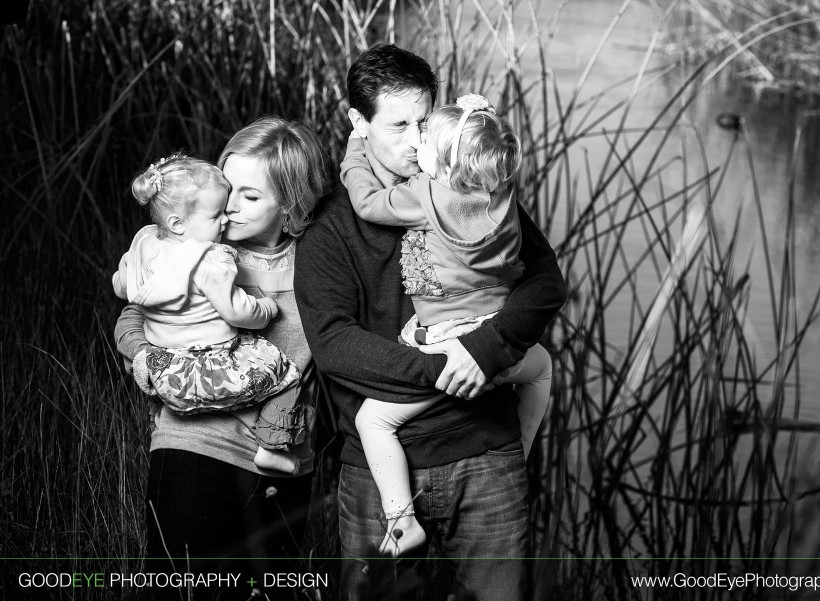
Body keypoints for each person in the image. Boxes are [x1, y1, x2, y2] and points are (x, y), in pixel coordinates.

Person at [294, 43, 566, 600]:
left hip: (487, 455)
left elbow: (545, 283)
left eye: (425, 121)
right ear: (357, 123)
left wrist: (485, 352)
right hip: (377, 474)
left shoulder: (466, 187)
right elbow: (333, 344)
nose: (418, 141)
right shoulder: (331, 228)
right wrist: (448, 366)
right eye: (399, 126)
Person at [114, 117, 329, 596]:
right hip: (195, 446)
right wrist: (149, 363)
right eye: (229, 188)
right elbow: (132, 318)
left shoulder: (321, 261)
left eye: (251, 197)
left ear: (291, 205)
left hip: (286, 461)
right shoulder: (197, 247)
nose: (229, 208)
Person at [340, 94, 553, 556]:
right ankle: (522, 445)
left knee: (372, 421)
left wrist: (356, 150)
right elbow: (477, 146)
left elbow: (367, 201)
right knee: (543, 370)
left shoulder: (423, 196)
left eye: (425, 140)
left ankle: (401, 520)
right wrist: (479, 119)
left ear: (437, 161)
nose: (416, 143)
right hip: (496, 339)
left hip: (445, 344)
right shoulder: (502, 195)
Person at [113, 153, 311, 476]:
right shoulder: (212, 259)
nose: (227, 215)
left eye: (248, 196)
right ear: (178, 222)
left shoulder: (145, 243)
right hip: (213, 364)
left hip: (172, 366)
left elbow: (123, 286)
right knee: (285, 374)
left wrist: (147, 356)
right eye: (217, 211)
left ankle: (155, 412)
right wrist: (265, 310)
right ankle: (273, 443)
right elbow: (236, 310)